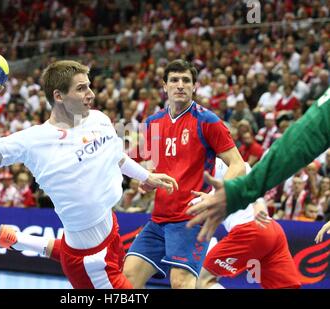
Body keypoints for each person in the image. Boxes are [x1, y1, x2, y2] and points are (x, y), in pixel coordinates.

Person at [0, 60, 178, 289]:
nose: (90, 94)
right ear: (59, 96)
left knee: (74, 247)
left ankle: (20, 240)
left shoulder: (99, 119)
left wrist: (145, 176)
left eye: (89, 86)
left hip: (112, 231)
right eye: (81, 88)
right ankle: (22, 241)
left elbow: (115, 156)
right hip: (90, 264)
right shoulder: (33, 141)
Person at [122, 59, 246, 289]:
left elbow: (237, 165)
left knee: (180, 283)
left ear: (194, 86)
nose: (180, 85)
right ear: (164, 86)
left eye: (186, 80)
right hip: (159, 218)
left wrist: (215, 196)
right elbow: (141, 162)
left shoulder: (208, 121)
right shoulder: (153, 122)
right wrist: (147, 179)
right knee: (127, 279)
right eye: (174, 80)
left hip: (191, 219)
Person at [187, 88, 330, 242]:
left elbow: (297, 143)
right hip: (255, 229)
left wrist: (247, 199)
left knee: (206, 265)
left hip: (248, 230)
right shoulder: (196, 166)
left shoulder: (224, 163)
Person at [195, 159, 301, 289]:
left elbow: (244, 171)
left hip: (249, 231)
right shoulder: (235, 163)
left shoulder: (215, 163)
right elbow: (252, 179)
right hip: (271, 228)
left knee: (203, 281)